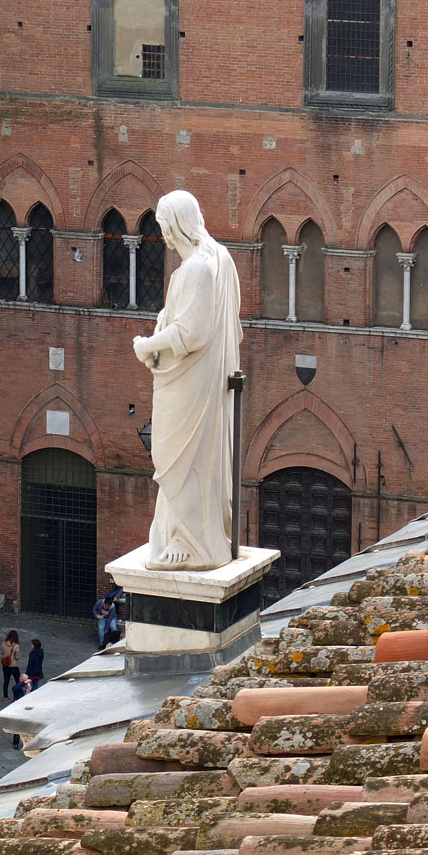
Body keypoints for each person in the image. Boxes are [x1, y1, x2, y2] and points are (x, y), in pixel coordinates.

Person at [133, 190, 241, 570]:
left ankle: (188, 540)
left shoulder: (198, 266)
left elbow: (192, 334)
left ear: (175, 224)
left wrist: (148, 345)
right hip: (202, 379)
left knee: (178, 457)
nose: (162, 234)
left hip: (190, 383)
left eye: (164, 225)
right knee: (196, 457)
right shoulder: (220, 257)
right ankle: (185, 533)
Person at [0, 630, 20, 702]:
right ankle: (17, 696)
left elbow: (2, 652)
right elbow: (17, 657)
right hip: (14, 666)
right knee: (18, 681)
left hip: (5, 665)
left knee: (6, 681)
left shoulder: (4, 643)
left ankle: (5, 697)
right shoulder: (16, 646)